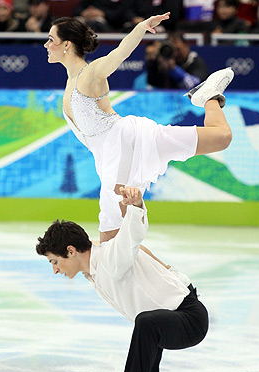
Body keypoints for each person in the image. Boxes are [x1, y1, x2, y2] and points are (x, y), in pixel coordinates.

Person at [44, 13, 234, 243]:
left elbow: (119, 53)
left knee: (114, 235)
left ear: (66, 44)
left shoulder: (90, 73)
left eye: (51, 39)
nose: (46, 44)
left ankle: (207, 96)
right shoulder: (70, 81)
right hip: (110, 155)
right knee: (115, 240)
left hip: (128, 139)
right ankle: (172, 278)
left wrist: (141, 28)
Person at [35, 186, 209, 372]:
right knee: (147, 323)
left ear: (71, 251)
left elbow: (132, 236)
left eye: (55, 261)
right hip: (171, 314)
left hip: (189, 319)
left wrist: (136, 207)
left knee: (146, 323)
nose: (55, 270)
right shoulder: (94, 266)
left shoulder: (111, 258)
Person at [145, 32, 209, 90]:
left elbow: (194, 85)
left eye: (178, 49)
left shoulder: (195, 61)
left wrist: (174, 69)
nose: (175, 54)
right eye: (172, 50)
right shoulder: (165, 61)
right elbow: (152, 83)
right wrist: (154, 62)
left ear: (186, 46)